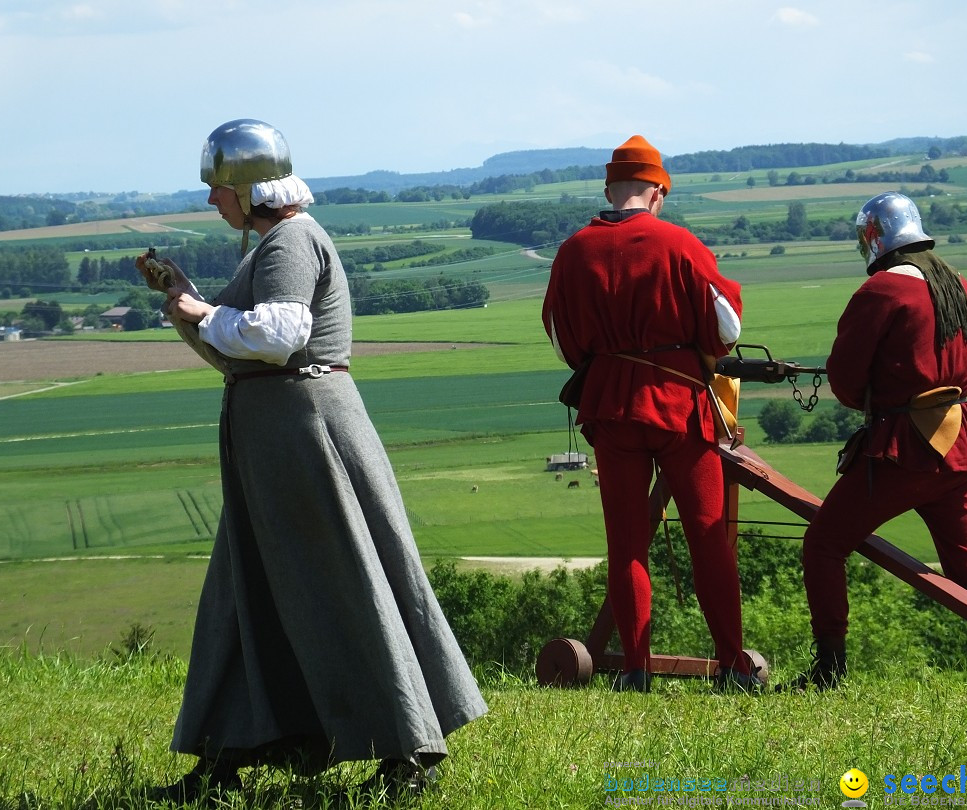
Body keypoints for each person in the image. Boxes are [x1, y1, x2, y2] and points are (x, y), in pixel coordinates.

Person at [138, 119, 487, 803]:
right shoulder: (272, 245)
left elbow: (279, 335)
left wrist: (203, 312)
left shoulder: (292, 240)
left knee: (342, 586)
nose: (213, 203)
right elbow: (241, 355)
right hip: (277, 443)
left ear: (247, 189)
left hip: (306, 439)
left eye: (219, 191)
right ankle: (224, 759)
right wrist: (188, 305)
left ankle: (408, 752)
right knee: (249, 593)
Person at [541, 135, 756, 692]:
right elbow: (727, 327)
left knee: (626, 542)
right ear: (658, 192)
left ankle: (635, 669)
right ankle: (732, 665)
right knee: (708, 537)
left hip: (610, 404)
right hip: (680, 401)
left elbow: (562, 339)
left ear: (610, 189)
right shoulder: (680, 244)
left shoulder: (572, 251)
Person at [792, 191, 967, 690]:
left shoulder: (882, 293)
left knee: (824, 545)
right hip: (957, 441)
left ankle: (829, 669)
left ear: (873, 239)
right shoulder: (958, 285)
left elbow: (847, 379)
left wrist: (882, 396)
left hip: (901, 450)